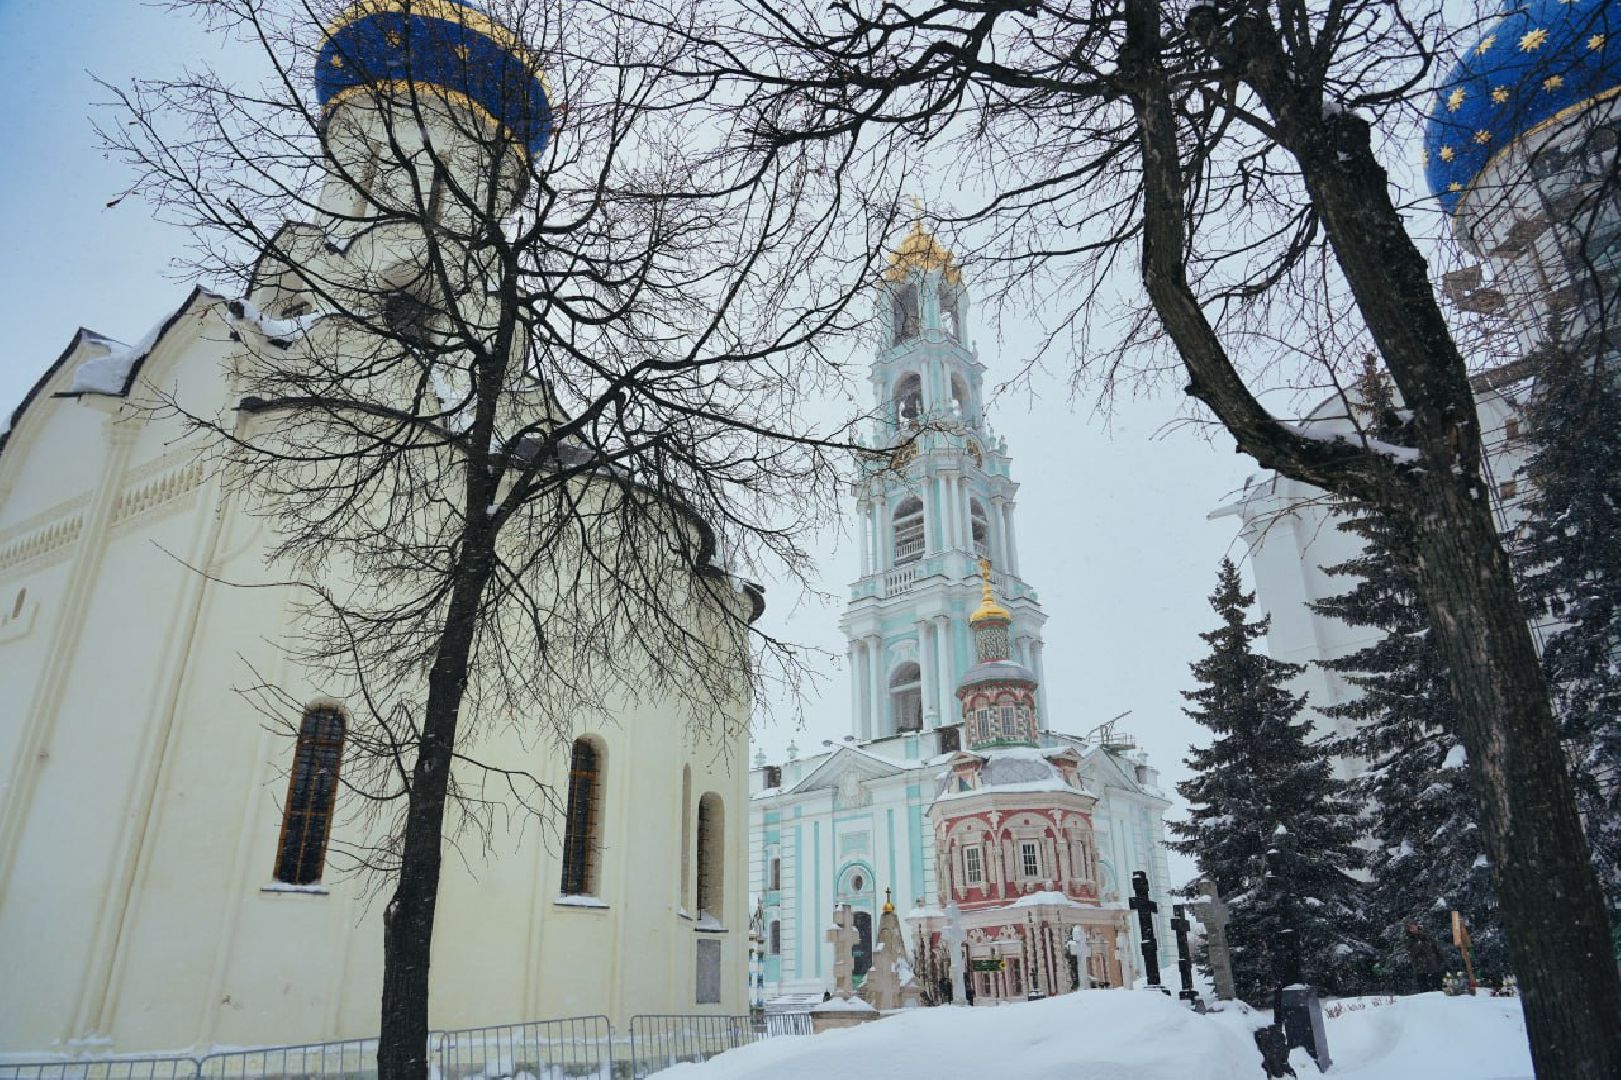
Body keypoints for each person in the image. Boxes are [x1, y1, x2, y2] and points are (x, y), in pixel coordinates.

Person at [1403, 919, 1447, 993]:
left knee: (1438, 985)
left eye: (1413, 926)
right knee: (1424, 989)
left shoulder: (1425, 934)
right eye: (1410, 928)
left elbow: (1435, 947)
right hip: (1420, 966)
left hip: (1433, 964)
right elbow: (1410, 951)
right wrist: (1419, 945)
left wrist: (1441, 958)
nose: (1413, 929)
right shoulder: (1408, 938)